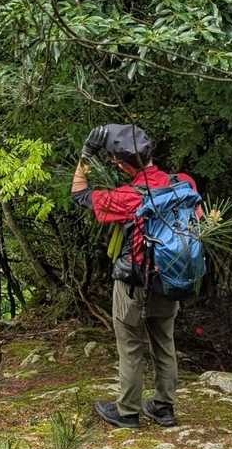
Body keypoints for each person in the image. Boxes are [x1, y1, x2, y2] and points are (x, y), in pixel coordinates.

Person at [71, 124, 198, 430]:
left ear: (120, 164)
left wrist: (86, 155)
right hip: (171, 279)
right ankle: (164, 408)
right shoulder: (184, 182)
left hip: (134, 285)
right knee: (164, 342)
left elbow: (79, 194)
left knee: (130, 346)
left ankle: (127, 411)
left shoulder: (128, 197)